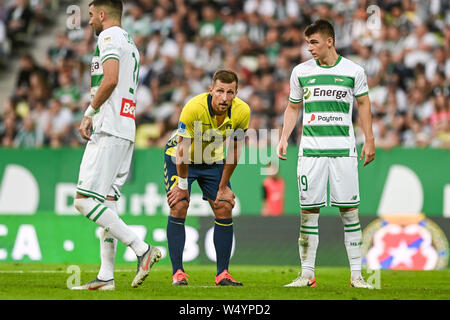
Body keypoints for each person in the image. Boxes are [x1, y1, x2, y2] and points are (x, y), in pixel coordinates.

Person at [276, 19, 375, 289]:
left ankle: (357, 276)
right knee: (308, 212)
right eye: (308, 42)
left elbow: (364, 105)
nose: (309, 48)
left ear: (329, 41)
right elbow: (293, 107)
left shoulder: (353, 71)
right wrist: (284, 138)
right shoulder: (300, 72)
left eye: (314, 42)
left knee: (349, 212)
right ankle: (307, 275)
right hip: (311, 153)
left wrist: (369, 140)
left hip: (344, 152)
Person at [71, 0, 161, 291]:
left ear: (101, 14)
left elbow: (109, 80)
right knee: (106, 202)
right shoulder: (129, 41)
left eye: (90, 16)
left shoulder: (108, 37)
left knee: (84, 201)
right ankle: (106, 277)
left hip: (108, 127)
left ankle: (141, 248)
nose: (88, 22)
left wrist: (89, 113)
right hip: (125, 127)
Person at [164, 69, 250, 286]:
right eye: (220, 91)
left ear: (236, 93)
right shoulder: (193, 108)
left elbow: (234, 151)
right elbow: (182, 151)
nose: (225, 97)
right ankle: (178, 273)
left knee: (224, 205)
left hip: (213, 159)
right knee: (179, 204)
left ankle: (223, 274)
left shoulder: (242, 111)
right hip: (182, 158)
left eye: (230, 92)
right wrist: (182, 185)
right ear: (211, 90)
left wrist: (223, 187)